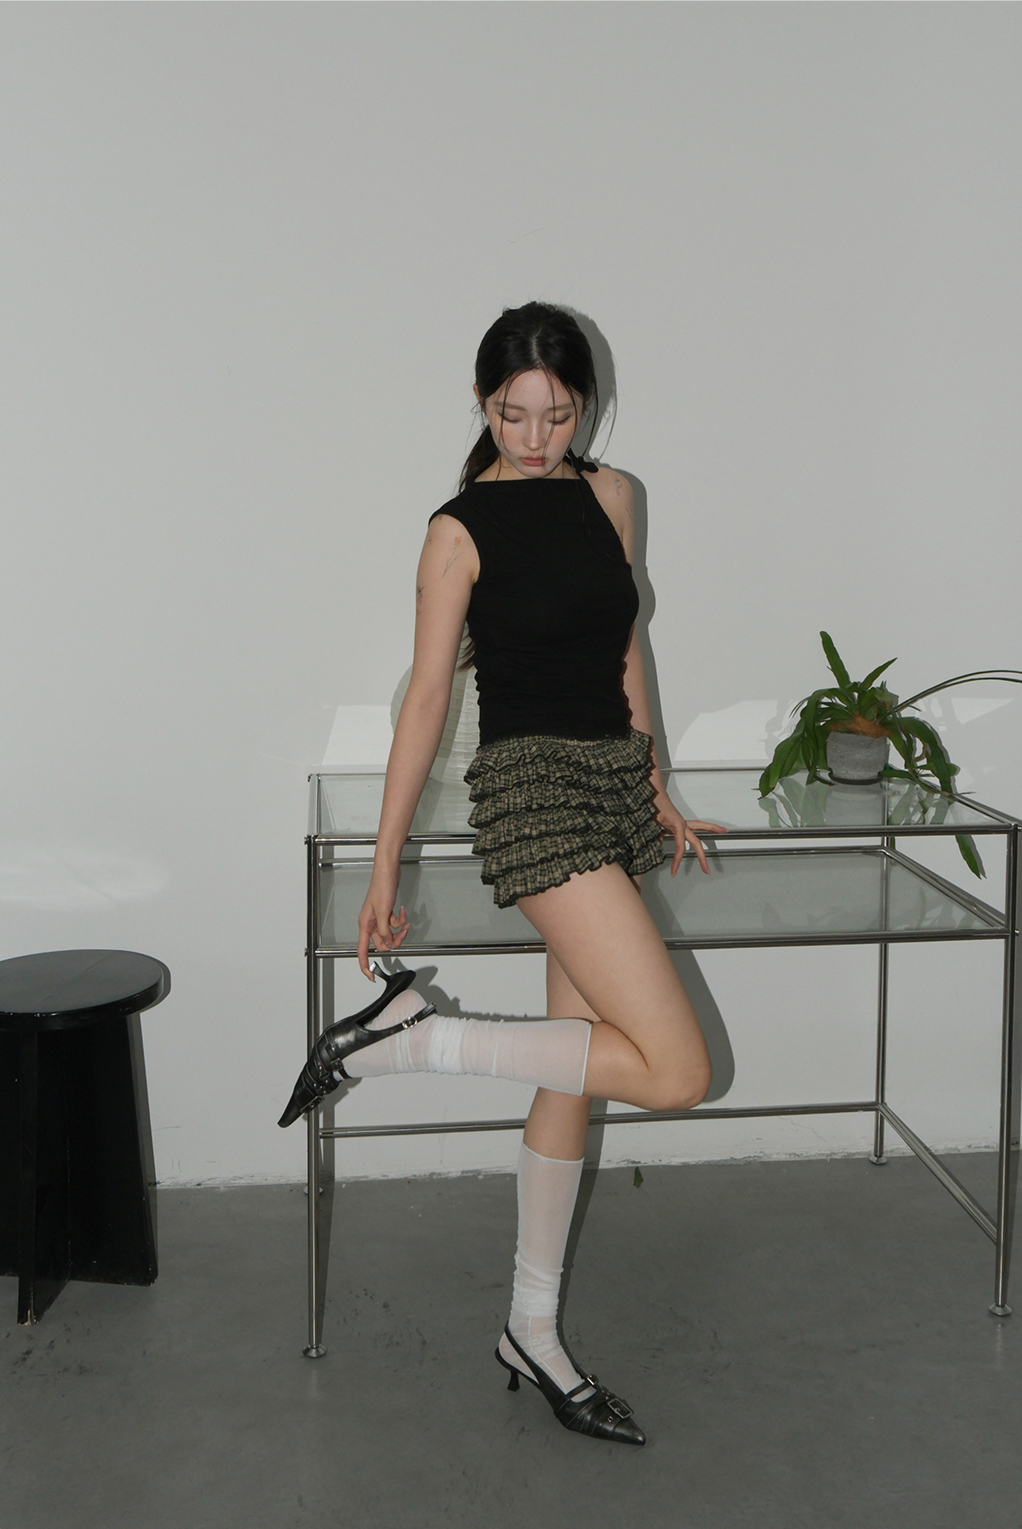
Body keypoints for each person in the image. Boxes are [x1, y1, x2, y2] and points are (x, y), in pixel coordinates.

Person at [279, 301, 724, 1446]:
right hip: (532, 791)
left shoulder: (611, 494)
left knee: (572, 1067)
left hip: (610, 785)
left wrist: (656, 779)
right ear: (480, 404)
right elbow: (428, 698)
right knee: (676, 1069)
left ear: (585, 404)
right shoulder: (456, 530)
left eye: (557, 414)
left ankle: (531, 1327)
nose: (534, 437)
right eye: (511, 413)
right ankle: (406, 1040)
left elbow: (626, 644)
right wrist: (385, 863)